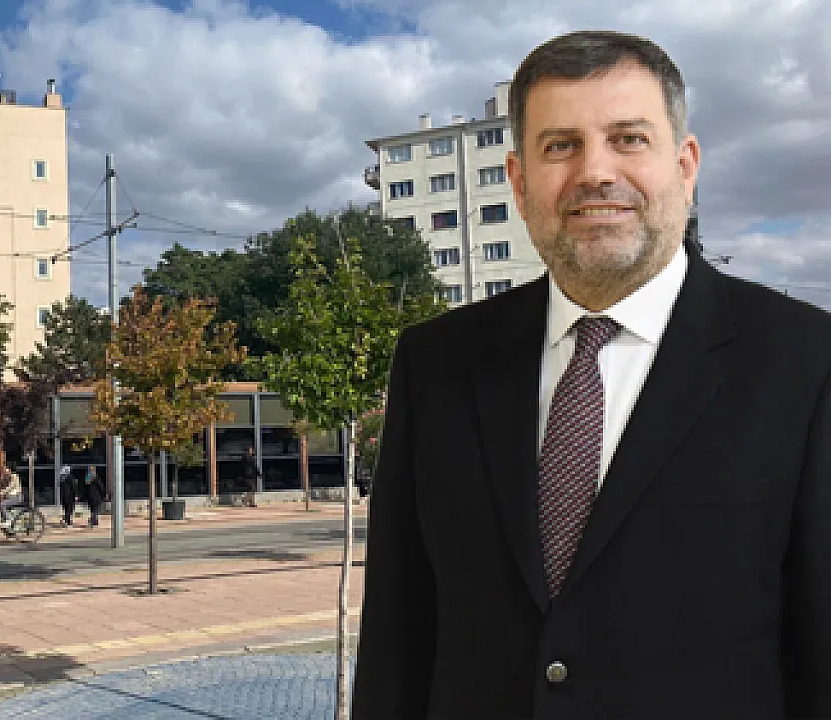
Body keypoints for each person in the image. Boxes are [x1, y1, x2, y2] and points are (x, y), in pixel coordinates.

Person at [352, 30, 831, 719]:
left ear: (685, 166)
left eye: (629, 139)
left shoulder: (806, 362)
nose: (595, 172)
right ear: (519, 184)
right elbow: (399, 633)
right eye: (560, 146)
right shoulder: (436, 364)